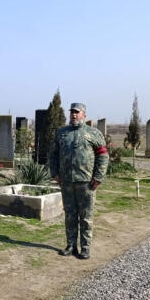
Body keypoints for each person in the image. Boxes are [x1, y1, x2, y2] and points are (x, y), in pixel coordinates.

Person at [48, 102, 109, 260]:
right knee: (70, 215)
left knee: (86, 216)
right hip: (67, 181)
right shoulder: (62, 133)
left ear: (84, 115)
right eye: (72, 112)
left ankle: (85, 247)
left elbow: (103, 156)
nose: (74, 115)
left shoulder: (93, 133)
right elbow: (53, 154)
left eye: (77, 112)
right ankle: (71, 245)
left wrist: (98, 177)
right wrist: (54, 173)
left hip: (86, 182)